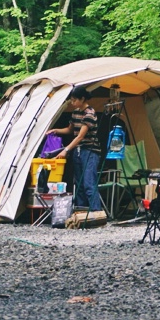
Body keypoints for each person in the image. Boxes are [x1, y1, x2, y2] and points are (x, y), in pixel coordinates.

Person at [47, 86, 105, 225]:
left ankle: (97, 215)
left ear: (82, 99)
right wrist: (56, 131)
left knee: (88, 183)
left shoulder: (90, 114)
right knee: (78, 183)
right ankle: (81, 214)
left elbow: (80, 136)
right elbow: (70, 130)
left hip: (90, 150)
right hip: (78, 151)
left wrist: (65, 150)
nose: (72, 102)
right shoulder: (75, 113)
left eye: (74, 100)